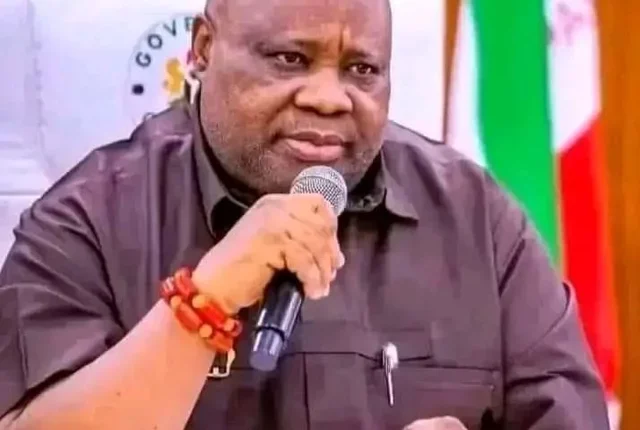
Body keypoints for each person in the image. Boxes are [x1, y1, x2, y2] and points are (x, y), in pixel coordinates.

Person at [0, 0, 609, 429]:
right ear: (203, 49)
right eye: (289, 59)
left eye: (361, 70)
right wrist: (203, 304)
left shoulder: (479, 224)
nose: (327, 97)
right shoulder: (89, 222)